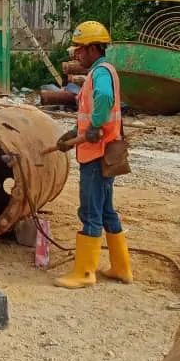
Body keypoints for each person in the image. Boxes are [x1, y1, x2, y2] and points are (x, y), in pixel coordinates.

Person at [52, 21, 132, 289]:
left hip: (96, 154)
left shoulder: (100, 74)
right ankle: (121, 268)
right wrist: (76, 130)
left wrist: (95, 126)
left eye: (79, 50)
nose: (76, 55)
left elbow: (105, 99)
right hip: (102, 150)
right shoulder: (103, 71)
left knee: (90, 210)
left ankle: (85, 272)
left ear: (93, 48)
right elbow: (92, 112)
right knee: (107, 210)